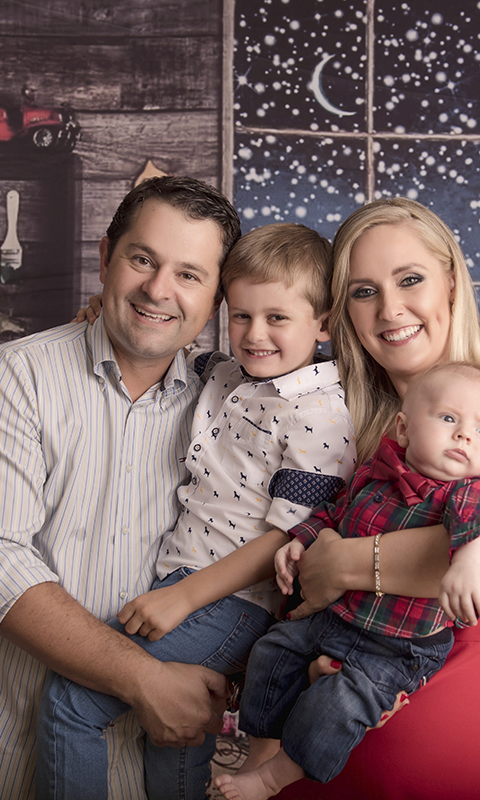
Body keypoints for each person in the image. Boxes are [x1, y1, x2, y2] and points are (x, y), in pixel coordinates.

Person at [0, 175, 243, 800]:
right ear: (107, 256)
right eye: (143, 259)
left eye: (190, 275)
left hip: (146, 762)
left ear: (217, 297)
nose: (159, 290)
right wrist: (144, 679)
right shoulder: (12, 377)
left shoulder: (228, 406)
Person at [272, 197, 480, 800]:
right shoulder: (337, 434)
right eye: (364, 291)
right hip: (324, 777)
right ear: (345, 315)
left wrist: (341, 563)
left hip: (478, 774)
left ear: (451, 282)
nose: (390, 309)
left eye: (410, 280)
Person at [36, 223, 357, 800]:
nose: (254, 335)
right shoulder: (225, 371)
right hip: (185, 582)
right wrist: (99, 318)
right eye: (240, 316)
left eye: (277, 318)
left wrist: (184, 596)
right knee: (173, 739)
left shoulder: (321, 412)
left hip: (231, 602)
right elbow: (164, 347)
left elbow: (292, 534)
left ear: (325, 322)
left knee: (71, 702)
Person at [214, 362, 480, 800]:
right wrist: (301, 541)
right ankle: (262, 739)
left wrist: (467, 564)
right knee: (271, 650)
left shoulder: (465, 493)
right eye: (449, 419)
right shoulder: (375, 474)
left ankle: (273, 776)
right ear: (404, 430)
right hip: (337, 616)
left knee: (340, 703)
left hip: (398, 646)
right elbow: (335, 513)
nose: (466, 436)